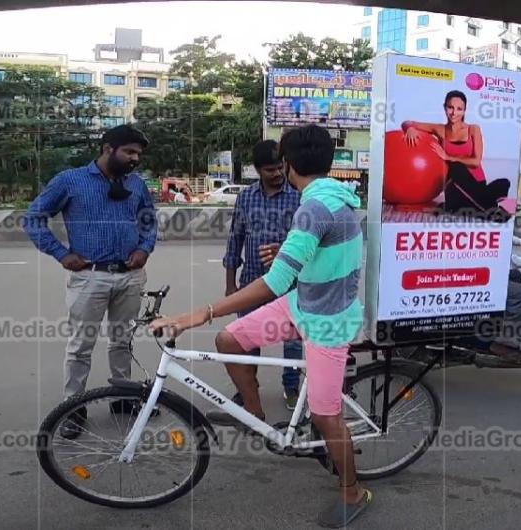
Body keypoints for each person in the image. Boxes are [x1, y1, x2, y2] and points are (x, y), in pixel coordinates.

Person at [150, 124, 371, 528]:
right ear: (328, 161)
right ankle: (256, 417)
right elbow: (306, 252)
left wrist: (199, 313)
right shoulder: (325, 198)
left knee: (326, 415)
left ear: (287, 164)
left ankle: (353, 492)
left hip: (329, 321)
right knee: (230, 339)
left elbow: (275, 283)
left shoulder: (315, 206)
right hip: (302, 303)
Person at [23, 125, 156, 439]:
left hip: (129, 276)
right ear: (108, 148)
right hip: (89, 277)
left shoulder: (136, 184)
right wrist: (60, 253)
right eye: (129, 152)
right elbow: (33, 217)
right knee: (81, 347)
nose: (135, 159)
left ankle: (123, 399)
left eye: (138, 153)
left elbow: (149, 220)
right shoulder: (70, 181)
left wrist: (144, 247)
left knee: (122, 341)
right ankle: (73, 407)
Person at [223, 139, 303, 409]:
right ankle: (248, 389)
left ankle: (291, 387)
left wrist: (285, 250)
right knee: (246, 339)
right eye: (270, 169)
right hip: (252, 282)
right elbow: (235, 239)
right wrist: (230, 284)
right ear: (257, 170)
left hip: (290, 283)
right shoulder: (246, 197)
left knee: (292, 341)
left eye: (280, 167)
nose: (278, 173)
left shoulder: (299, 195)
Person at [402, 90, 512, 220]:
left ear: (464, 111)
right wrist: (409, 128)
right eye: (450, 107)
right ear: (445, 107)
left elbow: (476, 161)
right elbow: (408, 122)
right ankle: (490, 212)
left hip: (477, 184)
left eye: (459, 109)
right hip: (454, 185)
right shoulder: (439, 129)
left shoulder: (473, 129)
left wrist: (449, 157)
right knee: (456, 168)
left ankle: (456, 208)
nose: (454, 113)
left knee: (504, 183)